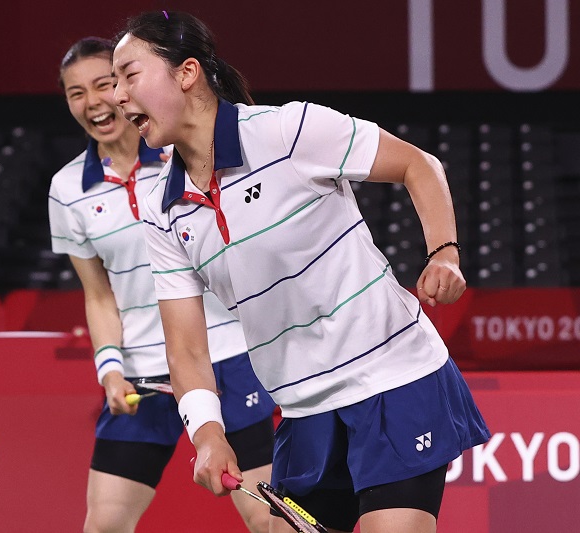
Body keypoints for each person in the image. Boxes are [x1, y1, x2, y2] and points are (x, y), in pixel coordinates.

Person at [111, 12, 490, 533]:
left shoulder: (289, 132)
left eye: (129, 75)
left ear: (187, 72)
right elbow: (187, 348)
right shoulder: (162, 209)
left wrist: (443, 252)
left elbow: (418, 164)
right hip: (304, 409)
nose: (118, 97)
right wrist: (206, 433)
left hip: (393, 381)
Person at [48, 37, 276, 533]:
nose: (93, 103)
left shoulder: (186, 156)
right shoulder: (67, 190)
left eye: (105, 84)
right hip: (143, 376)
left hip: (228, 358)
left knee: (267, 521)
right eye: (75, 92)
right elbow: (99, 295)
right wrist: (109, 369)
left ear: (129, 87)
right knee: (103, 525)